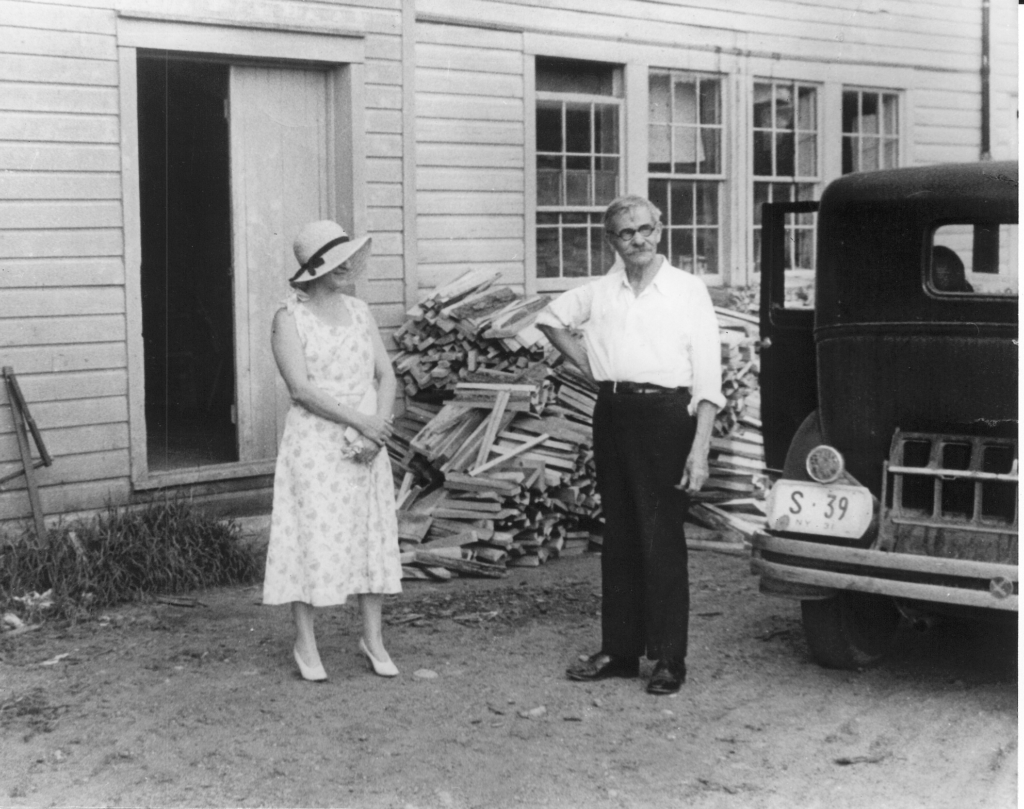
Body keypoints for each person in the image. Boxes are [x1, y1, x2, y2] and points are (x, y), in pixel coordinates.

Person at [536, 195, 725, 695]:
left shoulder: (687, 290)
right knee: (618, 535)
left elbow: (708, 378)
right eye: (626, 233)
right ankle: (620, 651)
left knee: (661, 538)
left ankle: (668, 658)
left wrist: (699, 451)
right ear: (611, 241)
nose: (637, 240)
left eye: (645, 229)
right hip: (613, 412)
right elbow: (550, 318)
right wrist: (592, 365)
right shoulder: (602, 290)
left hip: (667, 418)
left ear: (660, 230)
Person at [263, 220, 402, 682]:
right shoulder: (289, 317)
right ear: (314, 270)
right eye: (336, 264)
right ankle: (305, 642)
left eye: (349, 261)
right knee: (311, 536)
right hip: (317, 443)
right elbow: (301, 389)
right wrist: (361, 422)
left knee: (369, 535)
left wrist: (376, 431)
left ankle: (373, 638)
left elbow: (387, 375)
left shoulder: (360, 311)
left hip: (364, 441)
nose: (347, 269)